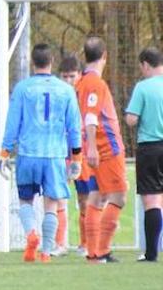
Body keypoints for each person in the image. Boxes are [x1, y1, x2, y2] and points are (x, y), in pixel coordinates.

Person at [0, 43, 82, 263]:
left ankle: (31, 235)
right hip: (54, 155)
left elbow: (12, 123)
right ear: (52, 62)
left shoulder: (23, 88)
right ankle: (46, 252)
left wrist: (5, 152)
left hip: (28, 154)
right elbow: (74, 127)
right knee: (51, 206)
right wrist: (76, 158)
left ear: (32, 63)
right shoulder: (66, 90)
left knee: (25, 200)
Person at [75, 36, 127, 263]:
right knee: (119, 196)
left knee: (96, 198)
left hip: (93, 148)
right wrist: (94, 148)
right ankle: (101, 251)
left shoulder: (80, 83)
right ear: (104, 56)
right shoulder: (96, 84)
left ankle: (93, 252)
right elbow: (90, 117)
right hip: (106, 149)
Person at [125, 47, 163, 262]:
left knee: (152, 201)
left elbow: (131, 118)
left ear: (146, 64)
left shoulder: (143, 87)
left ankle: (151, 253)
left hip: (150, 148)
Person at [52, 54, 85, 257]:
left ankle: (86, 244)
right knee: (60, 198)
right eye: (64, 77)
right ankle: (60, 244)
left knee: (85, 199)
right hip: (62, 153)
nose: (68, 81)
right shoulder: (58, 96)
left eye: (72, 76)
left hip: (82, 154)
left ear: (80, 75)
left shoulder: (86, 94)